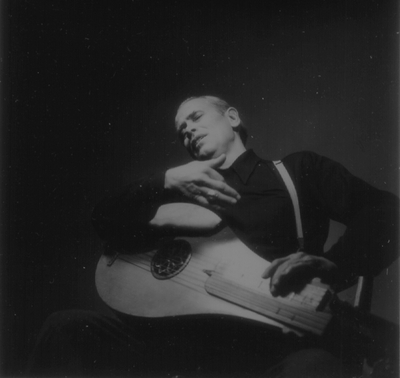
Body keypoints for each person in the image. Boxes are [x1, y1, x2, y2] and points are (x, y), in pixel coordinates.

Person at [27, 96, 399, 377]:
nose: (187, 129)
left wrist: (336, 264)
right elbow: (104, 222)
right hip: (175, 350)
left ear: (233, 118)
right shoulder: (173, 196)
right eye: (180, 129)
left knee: (313, 368)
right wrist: (164, 181)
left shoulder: (298, 171)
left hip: (269, 349)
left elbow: (389, 214)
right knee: (66, 328)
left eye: (195, 117)